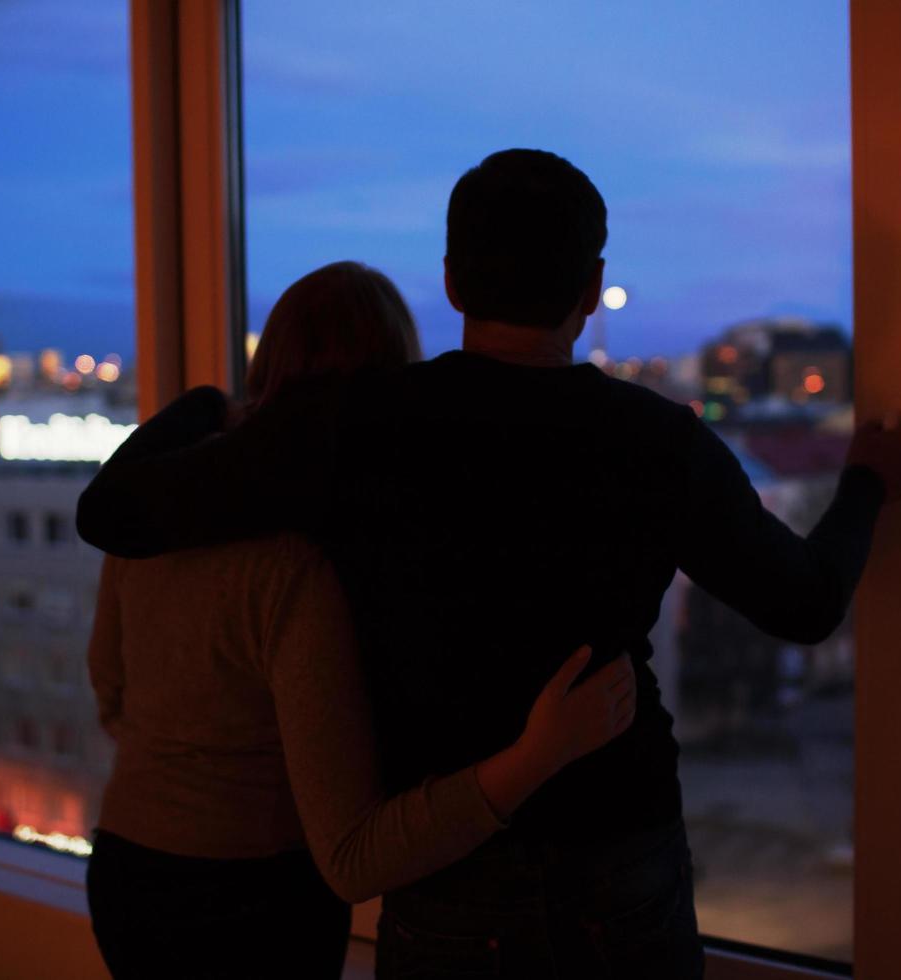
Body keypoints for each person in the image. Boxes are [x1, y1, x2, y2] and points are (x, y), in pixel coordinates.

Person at [78, 151, 901, 978]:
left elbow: (114, 511)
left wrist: (203, 407)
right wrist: (866, 483)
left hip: (450, 870)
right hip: (617, 846)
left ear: (450, 281)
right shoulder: (658, 440)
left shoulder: (355, 426)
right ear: (590, 292)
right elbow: (806, 603)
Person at [83, 260, 637, 980]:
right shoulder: (300, 565)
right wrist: (537, 754)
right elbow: (353, 858)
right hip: (250, 905)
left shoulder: (153, 513)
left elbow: (111, 691)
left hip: (125, 871)